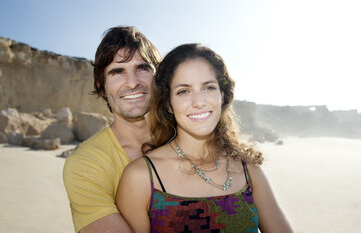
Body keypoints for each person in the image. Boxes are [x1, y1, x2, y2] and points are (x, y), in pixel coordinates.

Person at [116, 43, 293, 232]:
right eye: (183, 91)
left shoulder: (248, 169)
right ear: (168, 104)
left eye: (208, 87)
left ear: (222, 95)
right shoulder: (141, 178)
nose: (199, 102)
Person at [63, 26, 161, 233]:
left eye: (143, 68)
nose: (133, 83)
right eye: (117, 72)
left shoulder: (188, 141)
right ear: (101, 86)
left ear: (158, 78)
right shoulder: (85, 163)